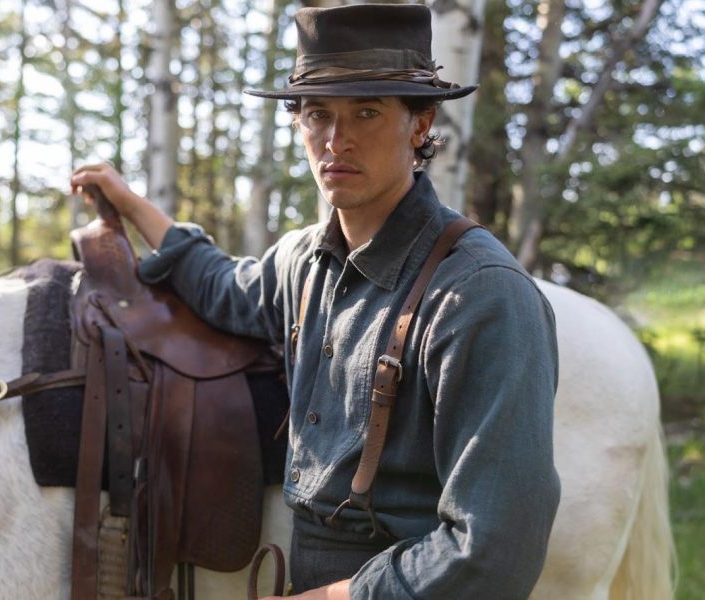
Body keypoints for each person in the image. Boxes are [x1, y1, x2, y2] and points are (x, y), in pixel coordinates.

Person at [70, 4, 560, 598]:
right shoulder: (302, 261)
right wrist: (131, 205)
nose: (336, 140)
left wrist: (331, 597)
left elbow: (493, 551)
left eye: (366, 112)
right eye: (317, 114)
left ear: (420, 124)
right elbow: (219, 286)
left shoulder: (479, 295)